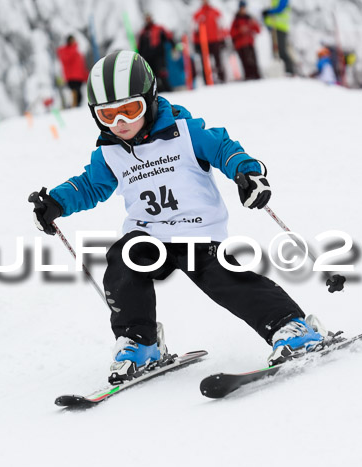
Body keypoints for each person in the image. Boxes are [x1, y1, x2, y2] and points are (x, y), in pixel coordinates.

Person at [30, 51, 325, 384]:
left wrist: (247, 172)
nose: (120, 123)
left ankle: (290, 326)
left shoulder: (183, 131)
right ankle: (141, 344)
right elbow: (90, 185)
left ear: (151, 99)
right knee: (123, 262)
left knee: (223, 279)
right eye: (108, 115)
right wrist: (56, 202)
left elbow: (223, 148)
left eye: (130, 110)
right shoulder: (109, 151)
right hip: (147, 234)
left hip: (197, 232)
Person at [137, 13, 175, 92]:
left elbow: (168, 37)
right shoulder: (143, 32)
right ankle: (157, 91)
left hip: (159, 55)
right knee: (151, 75)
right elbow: (140, 46)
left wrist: (173, 46)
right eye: (146, 18)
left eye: (149, 17)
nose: (148, 19)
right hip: (147, 57)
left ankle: (168, 89)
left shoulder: (159, 28)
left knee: (162, 72)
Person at [193, 0, 227, 84]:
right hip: (203, 42)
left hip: (215, 40)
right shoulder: (198, 14)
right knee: (205, 62)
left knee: (218, 60)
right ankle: (207, 80)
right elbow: (194, 29)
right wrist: (196, 43)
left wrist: (223, 39)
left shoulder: (215, 12)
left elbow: (222, 25)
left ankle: (221, 78)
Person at [230, 1, 261, 80]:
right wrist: (240, 31)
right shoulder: (236, 20)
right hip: (240, 45)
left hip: (250, 43)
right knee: (245, 62)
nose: (243, 10)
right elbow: (231, 32)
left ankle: (256, 76)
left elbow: (258, 30)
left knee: (253, 61)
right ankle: (248, 76)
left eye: (244, 8)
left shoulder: (249, 18)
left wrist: (254, 24)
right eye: (242, 8)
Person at [262, 0, 295, 76]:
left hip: (281, 28)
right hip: (274, 28)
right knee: (275, 50)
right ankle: (280, 72)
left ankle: (289, 70)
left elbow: (280, 9)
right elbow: (271, 16)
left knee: (281, 50)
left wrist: (269, 12)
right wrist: (267, 22)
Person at [56, 35, 88, 107]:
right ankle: (72, 106)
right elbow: (66, 60)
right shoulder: (66, 51)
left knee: (79, 94)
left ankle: (75, 107)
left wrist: (85, 75)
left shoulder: (76, 51)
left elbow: (81, 66)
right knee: (75, 92)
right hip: (71, 76)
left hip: (79, 76)